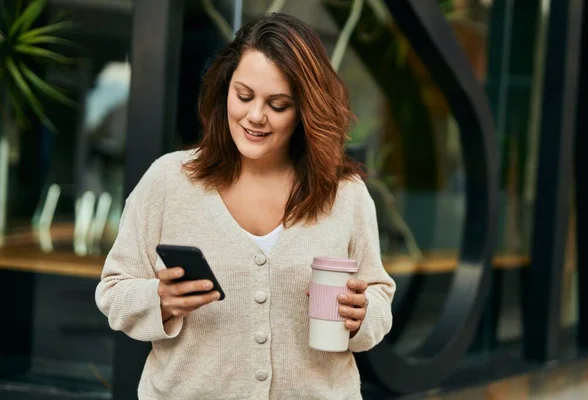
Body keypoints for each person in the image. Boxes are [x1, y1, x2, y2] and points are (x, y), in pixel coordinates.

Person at [95, 12, 395, 400]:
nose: (255, 116)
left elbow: (378, 296)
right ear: (225, 91)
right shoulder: (169, 181)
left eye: (278, 104)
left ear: (305, 110)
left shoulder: (344, 193)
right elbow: (113, 291)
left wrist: (361, 315)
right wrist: (158, 300)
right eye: (244, 95)